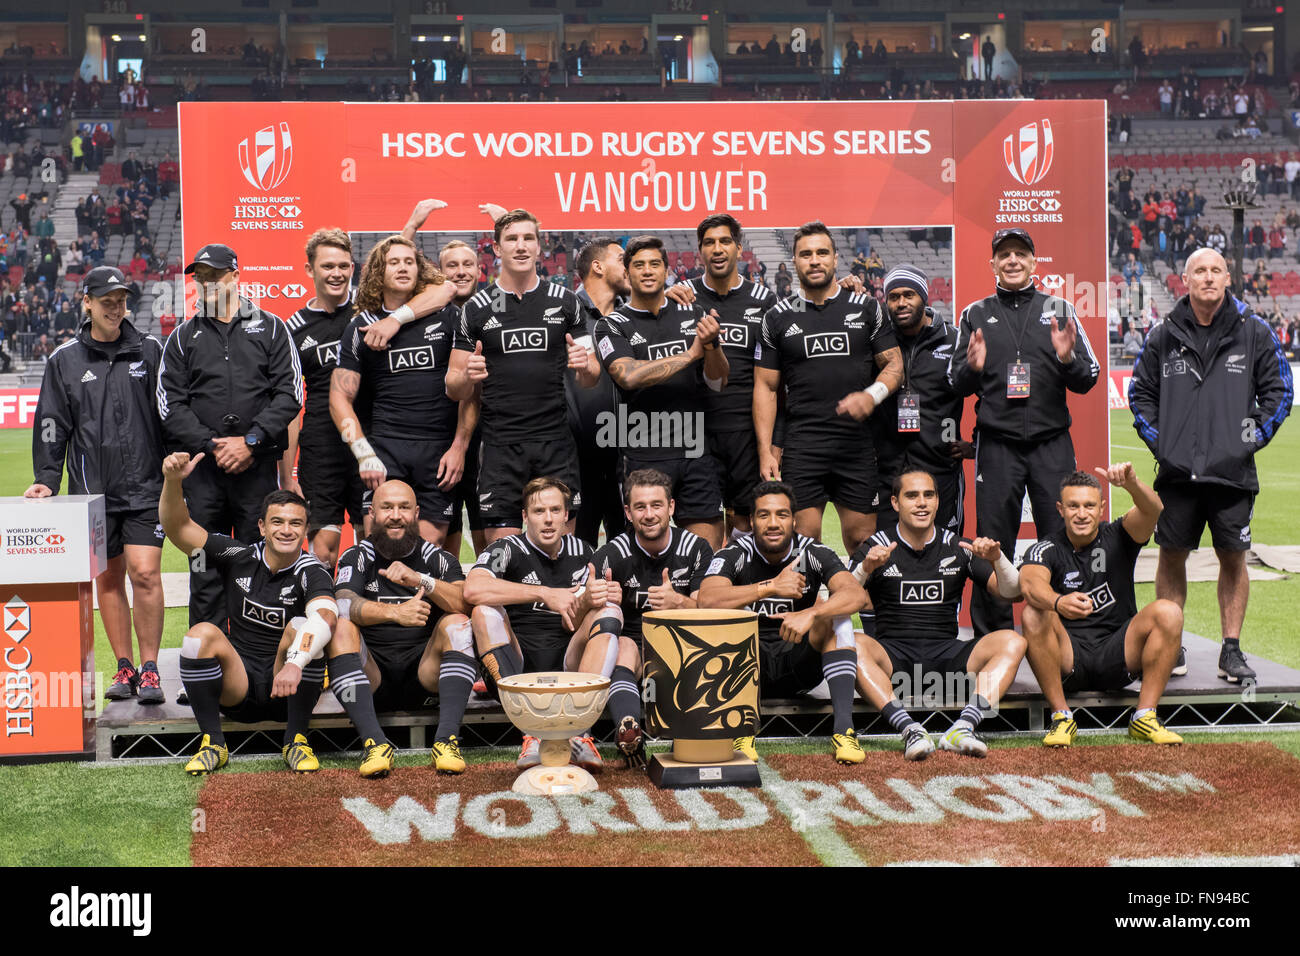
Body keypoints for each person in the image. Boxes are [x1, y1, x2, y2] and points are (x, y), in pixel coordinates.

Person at [159, 453, 394, 777]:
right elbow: (178, 528)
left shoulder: (313, 571)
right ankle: (213, 742)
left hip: (290, 684)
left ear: (305, 529)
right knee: (199, 635)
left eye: (295, 523)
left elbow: (325, 618)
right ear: (262, 527)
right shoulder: (239, 555)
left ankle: (296, 738)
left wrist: (295, 663)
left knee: (302, 627)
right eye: (278, 522)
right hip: (238, 684)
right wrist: (173, 482)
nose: (286, 530)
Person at [1129, 248, 1293, 684]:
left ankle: (1231, 651)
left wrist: (1246, 440)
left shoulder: (1253, 330)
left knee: (1234, 558)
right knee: (1171, 556)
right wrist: (1165, 445)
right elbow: (1139, 394)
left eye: (1215, 270)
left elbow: (1279, 392)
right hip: (1178, 475)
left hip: (1232, 473)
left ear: (1227, 277)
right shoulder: (1163, 332)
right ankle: (1172, 643)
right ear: (1185, 279)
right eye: (1199, 270)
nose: (1207, 277)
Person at [947, 227, 1100, 637]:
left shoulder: (1060, 307)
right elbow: (954, 382)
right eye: (1004, 255)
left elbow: (1089, 378)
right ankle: (993, 639)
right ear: (992, 264)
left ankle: (1066, 634)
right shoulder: (974, 314)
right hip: (997, 447)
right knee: (991, 543)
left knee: (1061, 537)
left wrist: (1067, 359)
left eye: (1020, 254)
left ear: (1034, 262)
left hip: (1051, 445)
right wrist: (971, 368)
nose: (1012, 260)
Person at [26, 267, 166, 703]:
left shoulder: (149, 350)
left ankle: (150, 669)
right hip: (92, 493)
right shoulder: (64, 359)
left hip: (147, 487)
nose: (115, 306)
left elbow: (168, 413)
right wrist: (47, 479)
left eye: (121, 299)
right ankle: (124, 666)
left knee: (145, 572)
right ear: (86, 302)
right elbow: (51, 423)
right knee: (108, 580)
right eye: (106, 299)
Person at [157, 243, 303, 628]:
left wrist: (251, 441)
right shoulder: (183, 336)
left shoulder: (272, 327)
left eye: (215, 276)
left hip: (256, 469)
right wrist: (212, 445)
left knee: (260, 560)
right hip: (203, 473)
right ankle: (203, 667)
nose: (207, 284)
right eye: (200, 278)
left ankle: (258, 658)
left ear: (236, 277)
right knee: (204, 565)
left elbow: (290, 394)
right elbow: (170, 404)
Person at [849, 470, 1026, 759]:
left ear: (937, 501)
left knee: (1013, 641)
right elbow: (841, 598)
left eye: (928, 495)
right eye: (912, 496)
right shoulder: (875, 546)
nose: (921, 503)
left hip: (948, 660)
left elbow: (1011, 592)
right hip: (893, 662)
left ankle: (963, 728)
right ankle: (910, 730)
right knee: (851, 643)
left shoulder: (957, 546)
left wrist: (997, 559)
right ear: (895, 503)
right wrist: (865, 568)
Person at [448, 209, 600, 540]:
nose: (520, 246)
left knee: (563, 553)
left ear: (539, 246)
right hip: (501, 447)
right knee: (503, 557)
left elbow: (591, 376)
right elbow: (454, 388)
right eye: (512, 239)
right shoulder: (476, 308)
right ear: (496, 248)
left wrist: (585, 365)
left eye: (528, 238)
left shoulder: (566, 302)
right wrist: (468, 376)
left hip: (555, 445)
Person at [754, 221, 903, 553]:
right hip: (804, 447)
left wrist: (871, 394)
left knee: (862, 542)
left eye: (822, 252)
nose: (815, 260)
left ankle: (861, 606)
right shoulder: (777, 317)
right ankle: (821, 607)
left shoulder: (867, 308)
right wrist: (766, 450)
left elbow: (894, 365)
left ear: (836, 259)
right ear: (794, 261)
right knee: (804, 544)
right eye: (806, 254)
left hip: (857, 446)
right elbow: (766, 387)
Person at [698, 480, 869, 764]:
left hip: (797, 662)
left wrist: (812, 613)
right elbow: (706, 599)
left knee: (837, 616)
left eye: (782, 514)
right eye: (764, 515)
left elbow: (856, 595)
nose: (773, 523)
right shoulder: (736, 554)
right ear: (751, 521)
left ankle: (844, 731)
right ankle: (741, 728)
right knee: (721, 622)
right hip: (746, 670)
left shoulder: (812, 552)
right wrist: (771, 587)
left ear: (794, 519)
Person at [1019, 466, 1186, 747]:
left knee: (1169, 611)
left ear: (1101, 508)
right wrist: (1058, 602)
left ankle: (1144, 716)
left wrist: (1132, 483)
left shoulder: (1119, 534)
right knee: (1033, 612)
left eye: (1089, 506)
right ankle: (1061, 717)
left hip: (1118, 654)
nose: (1081, 514)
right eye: (1073, 506)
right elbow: (1030, 585)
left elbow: (1154, 509)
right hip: (1069, 659)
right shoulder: (1046, 548)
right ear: (1060, 509)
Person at [462, 476, 614, 773]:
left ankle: (581, 732)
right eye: (538, 511)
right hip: (515, 665)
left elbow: (576, 622)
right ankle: (530, 733)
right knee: (482, 612)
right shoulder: (507, 547)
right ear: (524, 516)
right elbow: (472, 590)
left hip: (567, 663)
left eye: (555, 510)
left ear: (566, 515)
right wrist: (544, 593)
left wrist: (592, 599)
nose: (548, 519)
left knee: (608, 610)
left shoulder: (582, 551)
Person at [329, 234, 467, 547]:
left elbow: (469, 391)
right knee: (383, 550)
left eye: (409, 262)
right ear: (379, 270)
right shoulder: (360, 327)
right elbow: (339, 399)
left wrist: (458, 447)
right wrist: (364, 455)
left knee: (428, 557)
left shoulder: (448, 317)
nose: (403, 268)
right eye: (394, 262)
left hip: (438, 454)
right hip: (385, 450)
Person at [596, 235, 729, 550]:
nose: (647, 271)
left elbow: (718, 381)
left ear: (667, 270)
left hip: (695, 449)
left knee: (704, 556)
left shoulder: (693, 313)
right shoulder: (612, 325)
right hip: (644, 454)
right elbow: (627, 376)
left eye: (655, 263)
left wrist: (712, 346)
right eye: (638, 265)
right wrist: (691, 354)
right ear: (627, 274)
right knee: (649, 553)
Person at [333, 480, 475, 774]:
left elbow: (465, 604)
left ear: (416, 513)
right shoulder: (357, 555)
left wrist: (421, 581)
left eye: (403, 508)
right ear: (372, 513)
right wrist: (396, 613)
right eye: (387, 507)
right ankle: (374, 744)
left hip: (425, 676)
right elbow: (343, 604)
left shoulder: (437, 558)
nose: (395, 515)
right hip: (371, 677)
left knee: (458, 624)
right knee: (340, 627)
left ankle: (446, 740)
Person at [591, 468, 714, 768]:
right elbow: (581, 618)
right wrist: (597, 600)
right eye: (640, 507)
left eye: (656, 505)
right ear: (628, 512)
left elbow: (712, 611)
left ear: (671, 507)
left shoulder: (697, 549)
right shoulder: (611, 555)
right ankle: (630, 735)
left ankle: (697, 739)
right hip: (632, 653)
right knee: (623, 647)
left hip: (685, 649)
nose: (649, 514)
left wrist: (679, 603)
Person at [685, 214, 775, 541]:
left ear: (739, 248)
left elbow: (773, 378)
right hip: (697, 433)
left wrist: (771, 446)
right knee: (702, 535)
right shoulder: (683, 298)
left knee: (748, 529)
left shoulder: (765, 301)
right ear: (700, 251)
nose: (717, 249)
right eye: (709, 243)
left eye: (724, 242)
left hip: (746, 433)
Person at [868, 265, 970, 535]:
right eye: (894, 296)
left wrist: (978, 443)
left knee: (946, 548)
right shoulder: (878, 340)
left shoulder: (956, 339)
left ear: (924, 297)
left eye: (909, 295)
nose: (901, 303)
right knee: (885, 554)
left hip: (940, 466)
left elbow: (988, 391)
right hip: (887, 468)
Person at [282, 228, 361, 568]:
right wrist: (288, 475)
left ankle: (369, 620)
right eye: (328, 266)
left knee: (373, 541)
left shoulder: (367, 312)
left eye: (344, 266)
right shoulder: (292, 328)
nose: (337, 274)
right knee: (323, 551)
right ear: (309, 270)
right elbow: (288, 406)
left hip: (367, 444)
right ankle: (323, 617)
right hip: (320, 450)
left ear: (353, 268)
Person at [567, 236, 628, 546]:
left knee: (633, 559)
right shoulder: (563, 312)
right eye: (622, 259)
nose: (629, 266)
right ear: (598, 266)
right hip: (575, 459)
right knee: (575, 557)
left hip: (627, 457)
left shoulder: (632, 316)